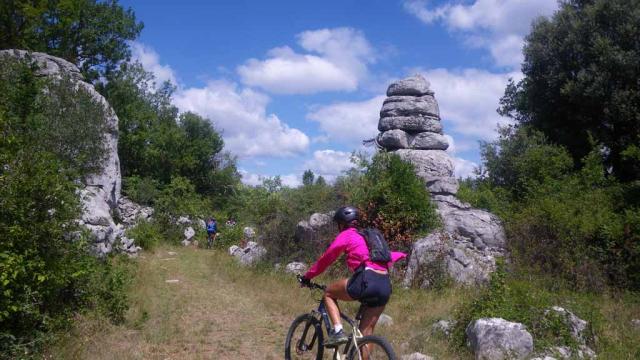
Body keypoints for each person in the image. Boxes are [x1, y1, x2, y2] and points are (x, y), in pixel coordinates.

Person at [300, 206, 407, 347]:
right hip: (385, 285)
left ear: (342, 223)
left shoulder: (347, 235)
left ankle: (338, 332)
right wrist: (404, 255)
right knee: (364, 334)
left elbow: (327, 258)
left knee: (328, 293)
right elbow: (390, 256)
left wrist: (307, 276)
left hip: (366, 279)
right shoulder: (368, 239)